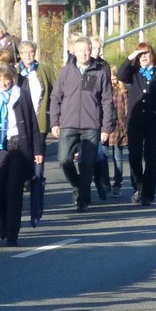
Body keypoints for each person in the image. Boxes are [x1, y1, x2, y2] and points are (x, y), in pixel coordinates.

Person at [48, 34, 115, 212]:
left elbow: (107, 100)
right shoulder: (65, 71)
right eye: (80, 51)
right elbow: (55, 97)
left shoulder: (99, 71)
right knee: (63, 159)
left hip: (91, 125)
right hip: (68, 123)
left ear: (91, 51)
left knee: (87, 163)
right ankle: (78, 185)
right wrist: (54, 122)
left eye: (87, 50)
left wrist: (106, 128)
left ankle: (83, 199)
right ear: (74, 52)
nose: (84, 54)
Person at [0, 63, 44, 246]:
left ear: (12, 79)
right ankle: (4, 221)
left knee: (13, 191)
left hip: (18, 146)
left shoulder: (21, 95)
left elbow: (32, 122)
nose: (4, 83)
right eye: (0, 79)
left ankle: (12, 232)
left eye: (7, 79)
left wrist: (37, 150)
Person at [116, 43, 156, 207]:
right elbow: (122, 75)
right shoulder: (134, 71)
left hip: (154, 120)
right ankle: (138, 185)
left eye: (146, 53)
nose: (143, 56)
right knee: (134, 155)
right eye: (140, 54)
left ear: (152, 54)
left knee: (151, 157)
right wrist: (131, 56)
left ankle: (148, 193)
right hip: (135, 120)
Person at [16, 40, 56, 137]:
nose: (28, 55)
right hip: (21, 118)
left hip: (40, 117)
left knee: (40, 148)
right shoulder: (15, 72)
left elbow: (56, 93)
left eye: (31, 52)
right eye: (25, 52)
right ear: (20, 55)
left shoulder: (46, 69)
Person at [105, 65, 129, 196]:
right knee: (103, 158)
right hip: (107, 129)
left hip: (120, 129)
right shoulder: (105, 92)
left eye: (115, 78)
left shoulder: (123, 92)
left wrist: (126, 129)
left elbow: (126, 111)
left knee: (118, 158)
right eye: (110, 78)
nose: (113, 81)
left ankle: (117, 184)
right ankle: (105, 184)